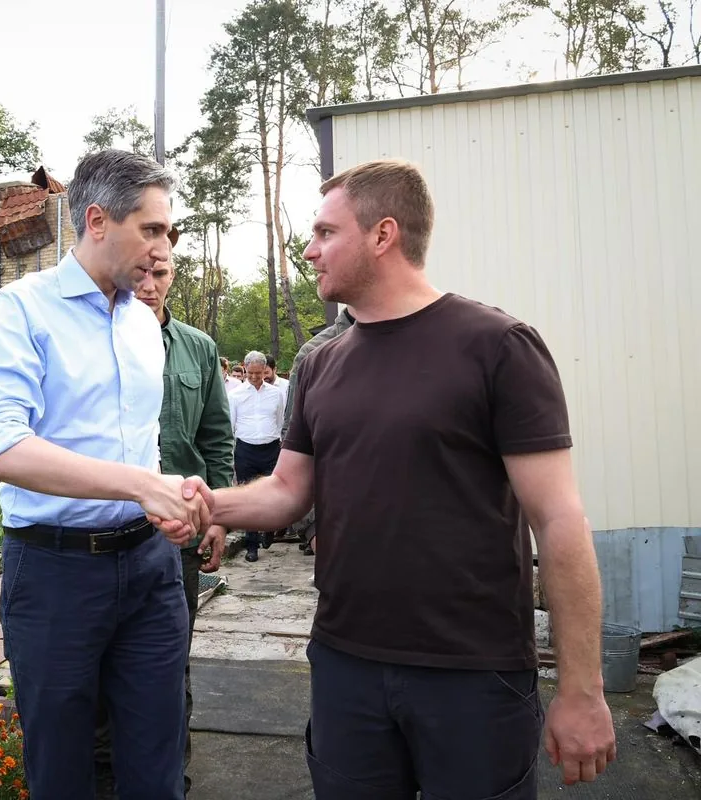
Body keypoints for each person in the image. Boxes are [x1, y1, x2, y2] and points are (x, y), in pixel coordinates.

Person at [159, 158, 616, 798]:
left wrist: (581, 690)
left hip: (472, 672)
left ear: (383, 235)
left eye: (324, 233)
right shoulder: (322, 364)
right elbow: (288, 491)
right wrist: (206, 503)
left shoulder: (497, 346)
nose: (309, 251)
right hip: (347, 665)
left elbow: (560, 520)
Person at [0, 148, 208, 800]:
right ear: (97, 221)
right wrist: (137, 485)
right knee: (63, 774)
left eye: (167, 232)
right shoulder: (23, 309)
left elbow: (137, 447)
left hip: (152, 573)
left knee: (158, 770)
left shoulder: (139, 320)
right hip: (55, 578)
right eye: (151, 229)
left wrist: (171, 498)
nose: (162, 249)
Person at [99, 232, 234, 796]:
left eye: (163, 275)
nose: (150, 287)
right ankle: (105, 772)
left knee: (168, 664)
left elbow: (217, 438)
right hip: (106, 531)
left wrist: (221, 516)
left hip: (176, 538)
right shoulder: (99, 337)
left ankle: (167, 772)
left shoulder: (197, 348)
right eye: (143, 274)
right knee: (100, 668)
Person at [282, 310, 354, 554]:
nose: (318, 268)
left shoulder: (445, 339)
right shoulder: (313, 356)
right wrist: (314, 528)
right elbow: (295, 446)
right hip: (341, 533)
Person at [227, 351, 285, 562]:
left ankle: (270, 529)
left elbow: (279, 420)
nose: (254, 377)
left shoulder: (276, 393)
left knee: (272, 494)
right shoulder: (236, 395)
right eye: (250, 373)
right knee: (248, 497)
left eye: (258, 374)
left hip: (270, 448)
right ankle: (251, 545)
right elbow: (231, 425)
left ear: (265, 372)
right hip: (246, 449)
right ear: (245, 369)